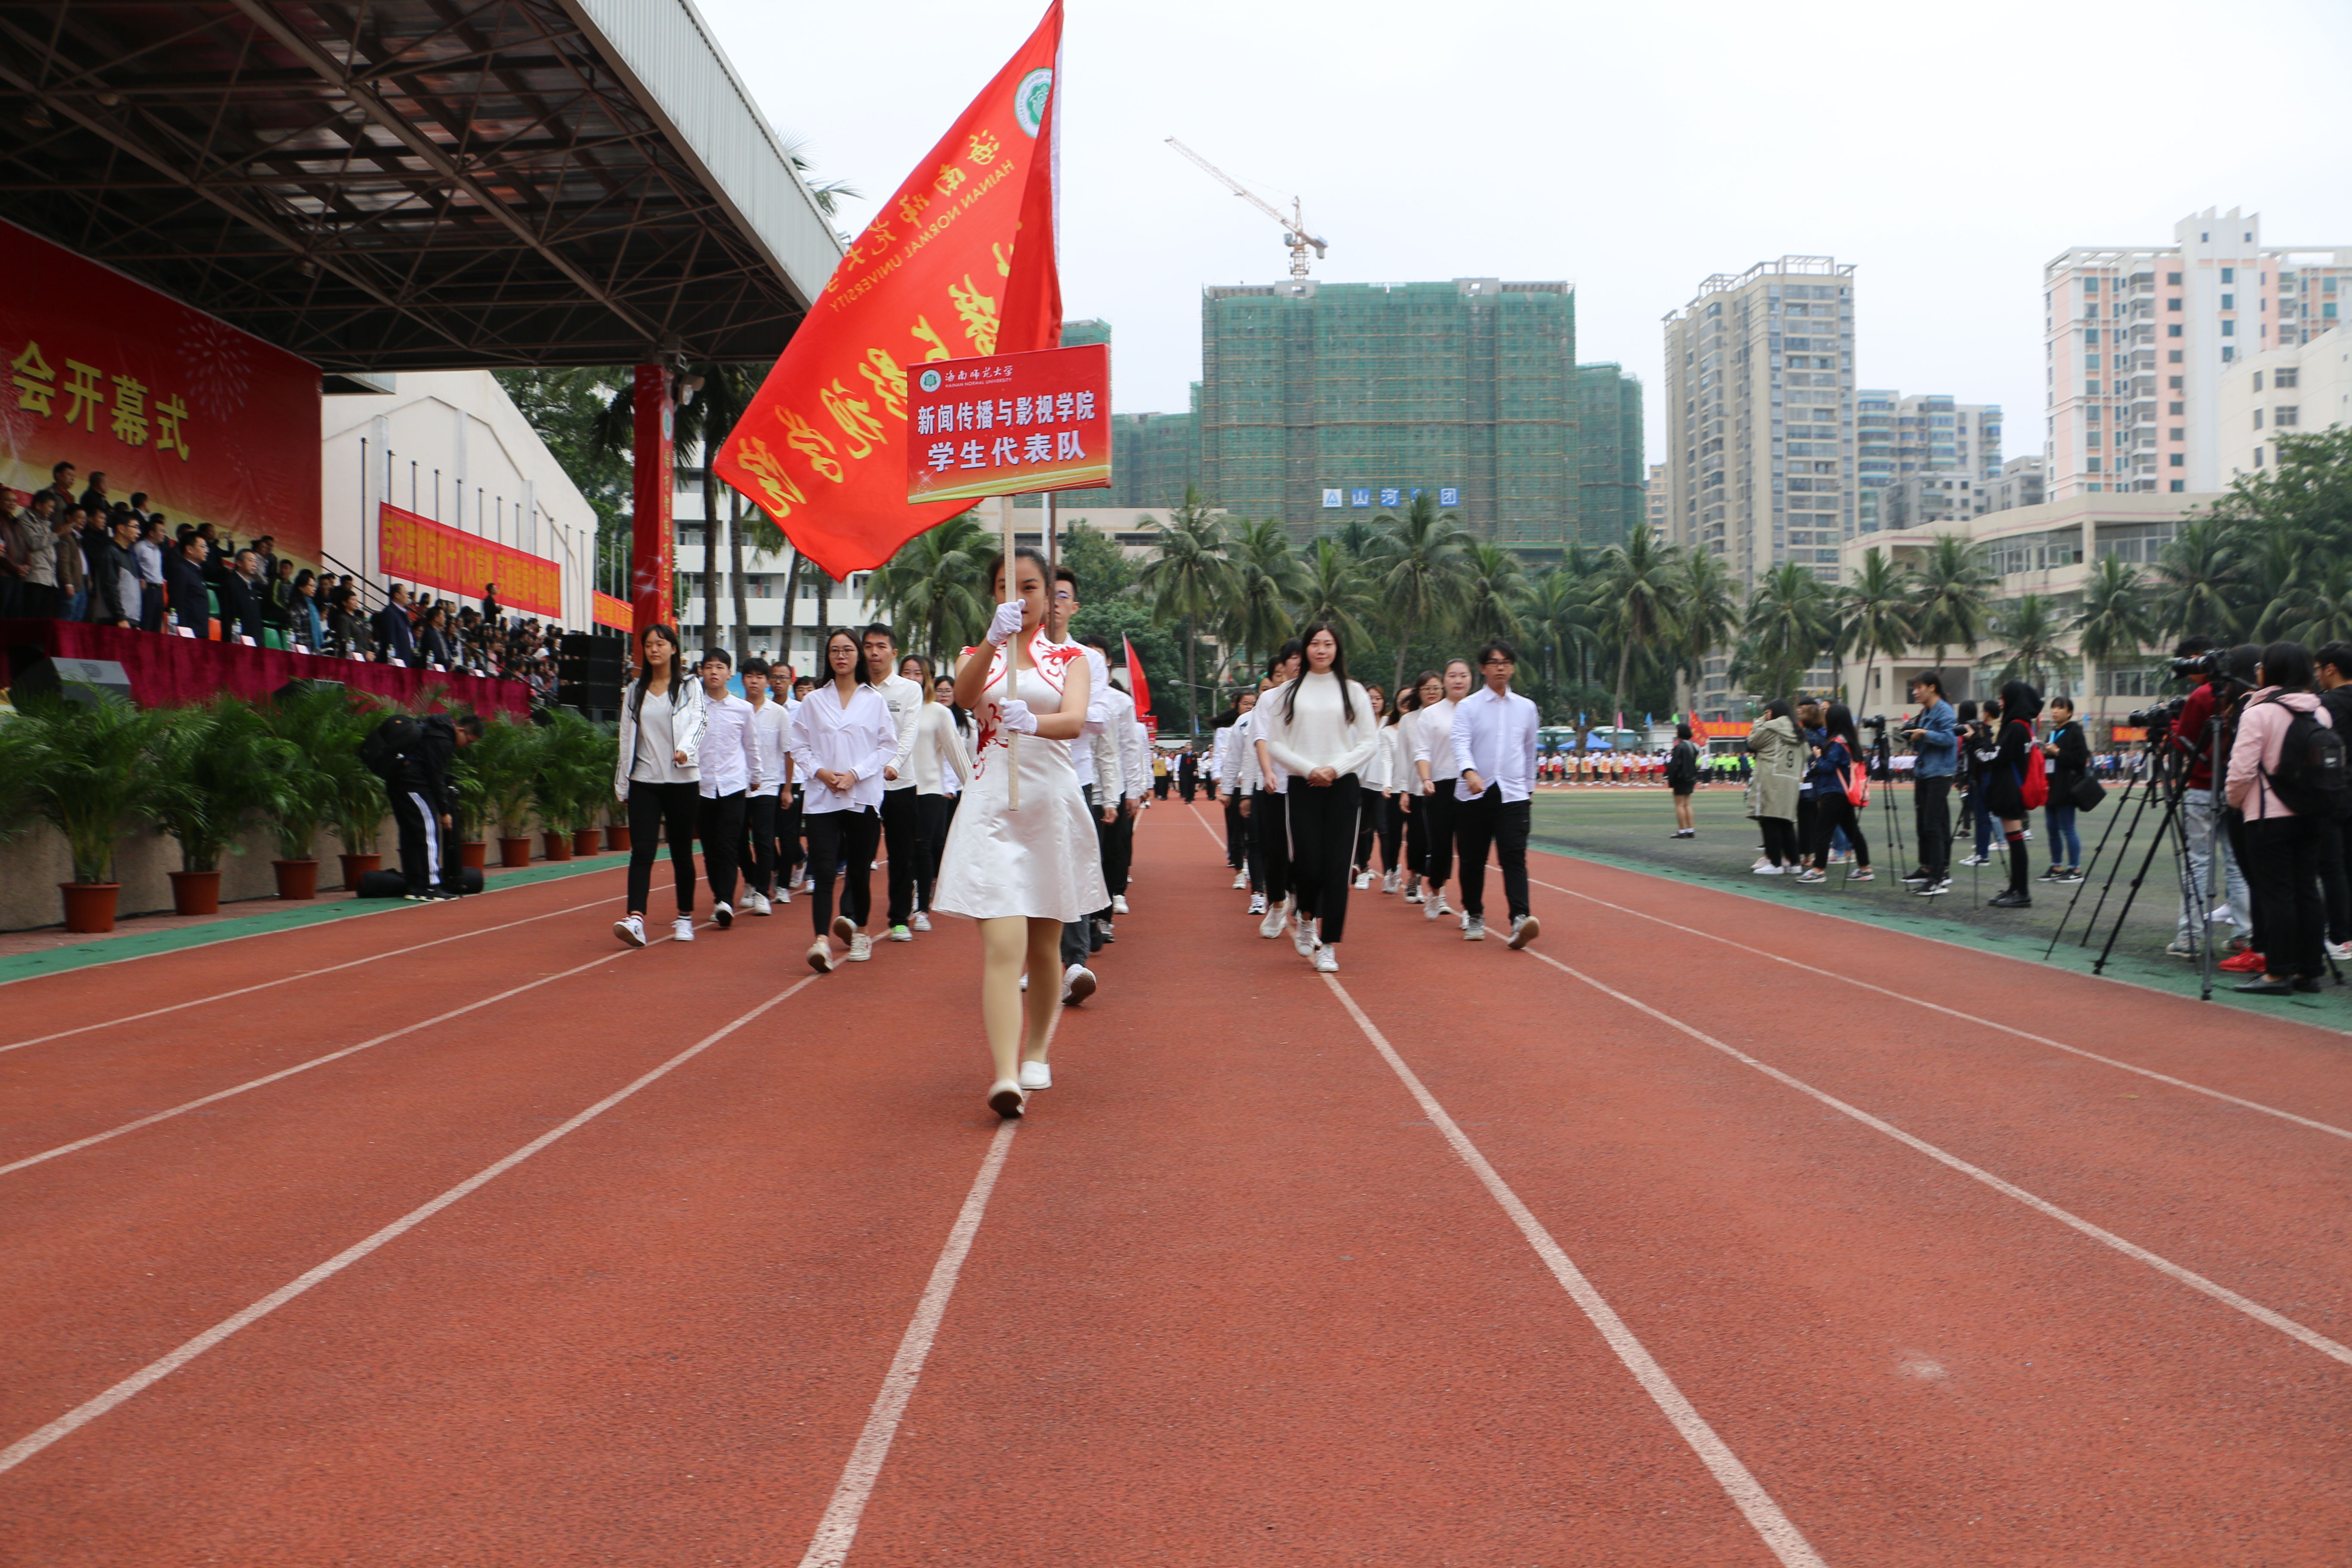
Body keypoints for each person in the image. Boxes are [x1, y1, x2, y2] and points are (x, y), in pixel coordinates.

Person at [934, 548, 1106, 1118]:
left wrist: (1034, 722)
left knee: (1045, 945)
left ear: (1049, 594)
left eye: (1033, 587)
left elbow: (1076, 720)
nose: (1024, 597)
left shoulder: (1071, 659)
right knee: (1003, 947)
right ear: (997, 595)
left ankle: (1037, 1050)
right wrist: (990, 641)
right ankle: (1005, 1074)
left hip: (1050, 803)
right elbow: (962, 698)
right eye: (1010, 586)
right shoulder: (977, 654)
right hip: (991, 803)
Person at [1259, 623, 1377, 969]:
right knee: (1309, 864)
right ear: (1306, 649)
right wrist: (1310, 769)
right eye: (1315, 644)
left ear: (1338, 649)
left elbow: (1369, 742)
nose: (1322, 650)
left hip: (1343, 786)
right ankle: (1306, 917)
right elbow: (1276, 742)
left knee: (1338, 868)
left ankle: (1330, 944)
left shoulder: (1352, 691)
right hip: (1303, 785)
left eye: (1329, 644)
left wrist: (1335, 769)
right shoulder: (1288, 693)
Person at [2225, 642, 2333, 994]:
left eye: (2262, 664)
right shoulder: (2320, 713)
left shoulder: (2257, 713)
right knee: (2307, 891)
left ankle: (2277, 973)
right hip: (2312, 812)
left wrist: (2237, 803)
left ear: (2271, 671)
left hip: (2268, 816)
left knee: (2277, 894)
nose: (2258, 669)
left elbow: (2240, 772)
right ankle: (2309, 972)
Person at [790, 628, 897, 973]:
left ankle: (862, 932)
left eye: (848, 650)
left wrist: (855, 773)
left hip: (861, 796)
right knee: (822, 871)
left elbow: (887, 746)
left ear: (858, 656)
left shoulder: (874, 700)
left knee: (858, 870)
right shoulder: (813, 701)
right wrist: (820, 772)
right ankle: (821, 939)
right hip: (823, 797)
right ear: (828, 657)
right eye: (835, 651)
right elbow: (799, 745)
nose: (841, 656)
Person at [612, 624, 706, 949]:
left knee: (681, 851)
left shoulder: (690, 686)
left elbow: (700, 721)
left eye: (661, 643)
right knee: (642, 851)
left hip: (682, 780)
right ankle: (635, 918)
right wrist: (622, 783)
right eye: (649, 644)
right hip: (645, 781)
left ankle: (684, 917)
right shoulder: (635, 690)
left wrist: (687, 749)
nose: (654, 649)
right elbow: (626, 737)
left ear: (674, 649)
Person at [1450, 640, 1542, 947]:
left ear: (1513, 667)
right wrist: (1470, 772)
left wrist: (1529, 789)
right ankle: (1474, 914)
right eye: (1494, 662)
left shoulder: (1527, 708)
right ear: (1483, 669)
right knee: (1473, 860)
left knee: (1514, 857)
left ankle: (1520, 918)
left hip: (1514, 795)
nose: (1500, 667)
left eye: (1506, 662)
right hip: (1474, 794)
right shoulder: (1468, 707)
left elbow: (1530, 751)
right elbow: (1460, 744)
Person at [863, 623, 926, 944]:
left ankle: (900, 919)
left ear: (893, 652)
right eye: (869, 646)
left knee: (901, 854)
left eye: (881, 646)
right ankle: (852, 915)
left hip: (899, 783)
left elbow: (908, 733)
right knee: (860, 852)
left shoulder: (908, 689)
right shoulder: (855, 688)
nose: (874, 652)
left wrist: (893, 765)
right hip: (861, 784)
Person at [693, 647, 763, 930]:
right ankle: (718, 898)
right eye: (708, 667)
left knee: (729, 844)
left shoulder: (743, 709)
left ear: (729, 674)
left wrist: (756, 775)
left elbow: (751, 745)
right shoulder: (693, 707)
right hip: (701, 785)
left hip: (734, 785)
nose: (713, 672)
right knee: (710, 848)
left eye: (719, 667)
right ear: (701, 671)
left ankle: (725, 902)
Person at [902, 655, 973, 929]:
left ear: (927, 678)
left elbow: (957, 754)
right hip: (898, 788)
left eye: (917, 673)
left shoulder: (939, 712)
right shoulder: (892, 709)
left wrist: (973, 789)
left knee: (923, 847)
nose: (911, 678)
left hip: (930, 789)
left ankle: (921, 910)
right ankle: (903, 902)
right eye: (906, 672)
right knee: (902, 850)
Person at [378, 711, 481, 900]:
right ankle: (432, 887)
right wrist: (445, 812)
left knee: (410, 834)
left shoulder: (430, 728)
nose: (467, 746)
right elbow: (436, 777)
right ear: (460, 730)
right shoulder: (443, 741)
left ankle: (415, 886)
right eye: (469, 741)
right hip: (415, 787)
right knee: (428, 835)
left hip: (397, 783)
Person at [1411, 659, 1472, 923]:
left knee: (1471, 849)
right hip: (1441, 785)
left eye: (1463, 675)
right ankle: (1436, 890)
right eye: (1452, 676)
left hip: (1472, 785)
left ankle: (1472, 908)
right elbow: (1422, 751)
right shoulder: (1432, 714)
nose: (1458, 680)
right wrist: (1426, 779)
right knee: (1441, 846)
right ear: (1445, 681)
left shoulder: (1478, 710)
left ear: (1471, 679)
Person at [1974, 680, 2042, 909]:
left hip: (2011, 789)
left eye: (2004, 699)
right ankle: (2016, 888)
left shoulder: (2015, 727)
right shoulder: (2024, 725)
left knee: (2016, 841)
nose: (2001, 704)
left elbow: (1994, 757)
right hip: (2015, 787)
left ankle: (2021, 891)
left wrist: (1977, 739)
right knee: (2014, 841)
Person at [1793, 703, 1872, 885]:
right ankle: (1865, 868)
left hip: (1834, 792)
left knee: (1822, 830)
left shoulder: (1837, 743)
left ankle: (1818, 870)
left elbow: (1828, 767)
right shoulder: (1849, 741)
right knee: (1853, 832)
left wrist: (1818, 757)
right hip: (1845, 792)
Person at [740, 656, 792, 916]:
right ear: (742, 680)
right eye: (750, 676)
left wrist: (787, 788)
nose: (754, 681)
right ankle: (750, 879)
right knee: (738, 839)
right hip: (737, 785)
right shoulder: (736, 710)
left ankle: (762, 892)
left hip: (769, 785)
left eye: (760, 677)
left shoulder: (779, 714)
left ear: (767, 682)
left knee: (763, 838)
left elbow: (788, 751)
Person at [1900, 672, 1959, 895]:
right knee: (1926, 824)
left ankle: (1937, 878)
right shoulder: (1926, 711)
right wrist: (1912, 735)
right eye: (1913, 688)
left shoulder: (1944, 710)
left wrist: (1924, 733)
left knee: (1933, 824)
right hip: (1925, 771)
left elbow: (1950, 739)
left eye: (1919, 688)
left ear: (1932, 688)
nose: (1915, 692)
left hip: (1940, 773)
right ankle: (1929, 868)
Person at [1746, 699, 1805, 874]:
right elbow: (1807, 754)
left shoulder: (1770, 728)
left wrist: (1760, 721)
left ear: (1771, 712)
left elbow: (1753, 741)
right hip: (1791, 780)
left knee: (1769, 819)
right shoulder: (1799, 732)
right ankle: (1795, 863)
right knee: (1786, 821)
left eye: (1767, 712)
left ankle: (1775, 863)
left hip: (1771, 778)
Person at [2039, 696, 2089, 882]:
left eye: (2060, 708)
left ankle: (2075, 870)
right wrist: (2044, 753)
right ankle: (2056, 867)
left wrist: (2058, 752)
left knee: (2068, 829)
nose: (2055, 711)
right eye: (2053, 708)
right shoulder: (2052, 733)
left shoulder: (2075, 732)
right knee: (2052, 829)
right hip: (2051, 787)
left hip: (2067, 788)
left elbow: (2080, 760)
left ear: (2070, 712)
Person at [1350, 683, 1389, 888]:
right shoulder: (1357, 724)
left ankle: (1390, 871)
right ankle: (1363, 868)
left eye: (1378, 698)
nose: (1374, 702)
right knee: (1363, 829)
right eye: (1370, 698)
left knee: (1383, 828)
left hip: (1384, 784)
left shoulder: (1390, 723)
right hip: (1361, 782)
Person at [132, 518, 167, 631]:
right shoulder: (140, 547)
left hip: (159, 590)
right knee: (146, 624)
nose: (164, 534)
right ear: (152, 533)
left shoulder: (158, 550)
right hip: (147, 591)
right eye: (161, 531)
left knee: (156, 626)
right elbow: (134, 566)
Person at [1667, 723, 1701, 837]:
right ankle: (1690, 829)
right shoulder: (1693, 745)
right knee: (1687, 804)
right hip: (1691, 777)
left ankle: (1682, 831)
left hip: (1681, 778)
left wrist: (1671, 779)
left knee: (1679, 805)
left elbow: (1676, 765)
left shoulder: (1680, 746)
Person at [374, 584, 418, 665]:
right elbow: (390, 638)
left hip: (406, 658)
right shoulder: (390, 612)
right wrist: (396, 659)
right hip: (397, 661)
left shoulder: (403, 612)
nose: (408, 596)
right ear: (397, 595)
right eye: (406, 593)